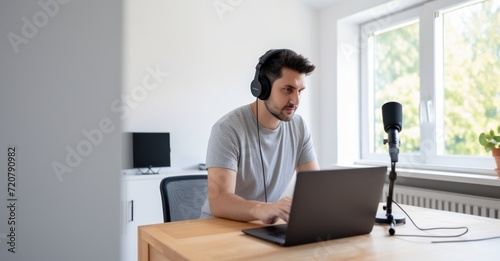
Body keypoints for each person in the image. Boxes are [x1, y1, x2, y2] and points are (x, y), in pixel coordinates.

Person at [200, 49, 320, 224]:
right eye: (288, 89)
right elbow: (219, 201)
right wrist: (262, 209)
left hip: (260, 227)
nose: (296, 101)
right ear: (262, 89)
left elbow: (314, 187)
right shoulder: (227, 129)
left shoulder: (299, 127)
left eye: (300, 91)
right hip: (217, 228)